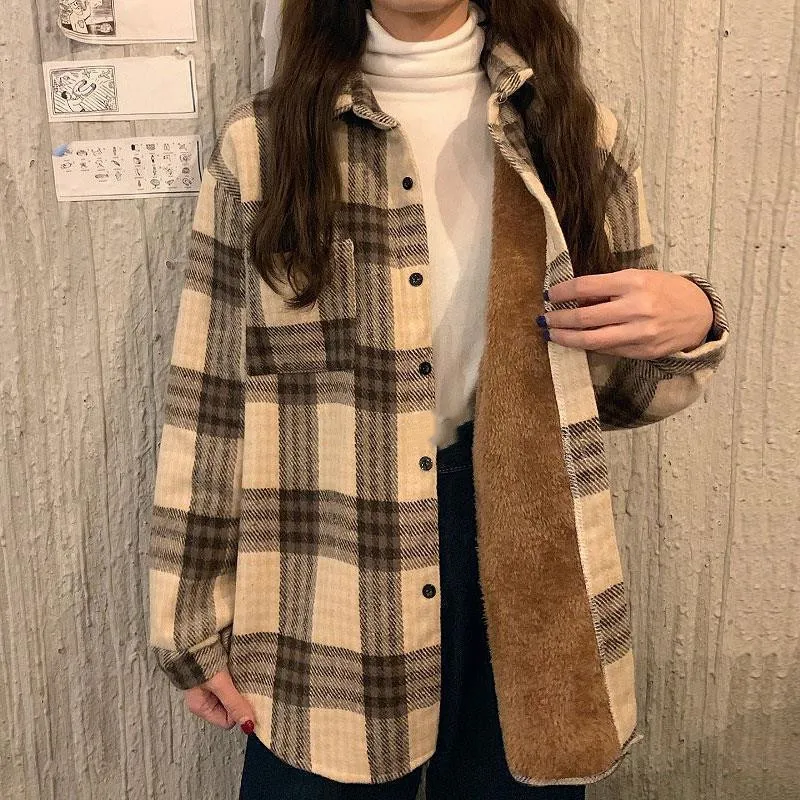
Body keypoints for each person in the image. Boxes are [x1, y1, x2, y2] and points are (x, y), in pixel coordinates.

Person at [147, 1, 730, 798]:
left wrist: (691, 318)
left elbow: (617, 398)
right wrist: (190, 620)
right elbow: (211, 399)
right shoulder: (268, 145)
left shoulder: (574, 135)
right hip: (329, 565)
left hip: (526, 553)